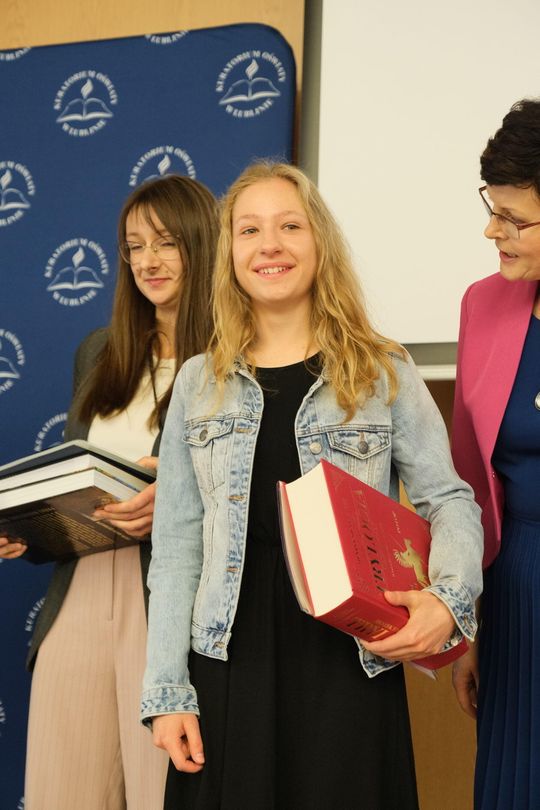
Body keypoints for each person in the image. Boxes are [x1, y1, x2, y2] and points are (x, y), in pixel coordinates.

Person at [141, 161, 483, 810]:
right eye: (249, 230)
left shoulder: (384, 370)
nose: (269, 245)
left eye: (290, 226)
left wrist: (448, 601)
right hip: (226, 659)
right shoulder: (196, 382)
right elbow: (178, 546)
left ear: (320, 241)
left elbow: (449, 500)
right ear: (229, 254)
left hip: (348, 661)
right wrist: (166, 691)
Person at [0, 174, 219, 810]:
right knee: (62, 793)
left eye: (167, 242)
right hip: (81, 590)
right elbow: (78, 486)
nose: (148, 261)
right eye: (134, 246)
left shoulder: (236, 357)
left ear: (202, 244)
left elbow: (252, 494)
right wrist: (28, 530)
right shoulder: (99, 351)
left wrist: (172, 492)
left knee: (164, 793)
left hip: (172, 601)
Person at [451, 98, 540, 809]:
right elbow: (467, 486)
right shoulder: (483, 305)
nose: (493, 231)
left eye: (513, 219)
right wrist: (468, 620)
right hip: (514, 591)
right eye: (492, 209)